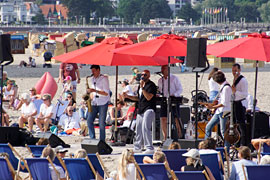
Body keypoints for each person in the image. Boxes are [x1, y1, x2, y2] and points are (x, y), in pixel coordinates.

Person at [124, 70, 156, 154]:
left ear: (148, 76)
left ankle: (149, 147)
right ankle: (137, 146)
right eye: (141, 75)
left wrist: (142, 87)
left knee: (146, 128)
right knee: (138, 128)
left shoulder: (151, 85)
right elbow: (139, 98)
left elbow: (148, 97)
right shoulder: (140, 86)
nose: (142, 76)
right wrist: (128, 97)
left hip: (149, 108)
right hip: (141, 108)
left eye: (145, 75)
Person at [205, 71, 231, 150]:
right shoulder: (223, 86)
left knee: (224, 132)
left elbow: (224, 103)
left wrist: (213, 107)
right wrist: (213, 106)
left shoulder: (226, 88)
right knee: (208, 127)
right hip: (219, 111)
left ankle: (227, 149)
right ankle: (206, 146)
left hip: (224, 111)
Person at [158, 65, 183, 141]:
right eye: (162, 69)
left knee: (176, 118)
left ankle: (180, 135)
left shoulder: (174, 78)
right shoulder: (160, 80)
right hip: (164, 99)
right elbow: (160, 90)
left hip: (173, 99)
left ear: (168, 70)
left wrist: (174, 94)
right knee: (163, 118)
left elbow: (180, 89)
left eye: (164, 69)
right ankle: (165, 138)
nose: (162, 71)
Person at [87, 65, 110, 141]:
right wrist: (90, 95)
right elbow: (93, 91)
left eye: (94, 71)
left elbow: (106, 93)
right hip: (94, 102)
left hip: (103, 102)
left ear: (98, 70)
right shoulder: (92, 79)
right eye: (92, 71)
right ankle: (92, 138)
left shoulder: (104, 79)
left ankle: (102, 140)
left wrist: (94, 91)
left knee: (101, 123)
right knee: (89, 120)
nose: (92, 73)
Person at [232, 63, 249, 146]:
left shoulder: (243, 80)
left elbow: (245, 94)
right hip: (235, 103)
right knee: (236, 124)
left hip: (241, 103)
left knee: (241, 123)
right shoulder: (235, 79)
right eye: (233, 71)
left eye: (236, 71)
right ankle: (237, 142)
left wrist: (236, 92)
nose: (234, 72)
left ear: (239, 70)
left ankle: (243, 142)